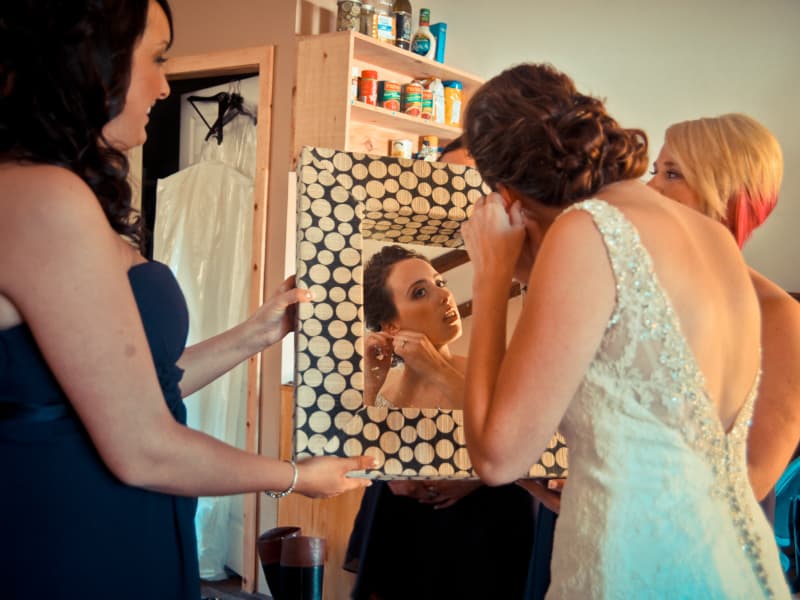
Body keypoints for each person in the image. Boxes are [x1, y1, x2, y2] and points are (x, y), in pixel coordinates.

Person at [0, 2, 371, 598]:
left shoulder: (53, 193)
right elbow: (143, 447)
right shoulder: (43, 198)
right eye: (156, 57)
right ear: (88, 64)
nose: (164, 85)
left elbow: (141, 388)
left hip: (112, 513)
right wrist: (297, 476)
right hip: (76, 529)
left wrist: (255, 333)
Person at [459, 63, 790, 598]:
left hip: (632, 569)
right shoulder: (713, 239)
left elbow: (498, 458)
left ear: (506, 190)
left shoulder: (587, 231)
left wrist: (491, 276)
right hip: (736, 565)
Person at [345, 240, 536, 598]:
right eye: (420, 292)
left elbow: (518, 436)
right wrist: (387, 475)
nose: (442, 296)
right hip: (405, 536)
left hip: (488, 532)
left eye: (440, 283)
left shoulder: (493, 372)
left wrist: (477, 477)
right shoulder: (385, 393)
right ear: (391, 324)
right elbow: (355, 460)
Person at [647, 113, 800, 507]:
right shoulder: (638, 288)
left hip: (705, 538)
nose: (650, 188)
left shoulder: (779, 316)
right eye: (656, 171)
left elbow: (751, 478)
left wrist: (620, 496)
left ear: (727, 192)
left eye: (672, 174)